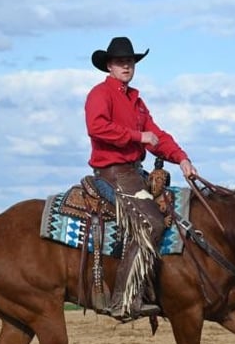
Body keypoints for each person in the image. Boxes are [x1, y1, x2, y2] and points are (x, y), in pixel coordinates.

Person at [85, 36, 198, 321]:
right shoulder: (100, 94)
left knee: (174, 210)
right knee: (152, 222)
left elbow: (156, 137)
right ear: (109, 66)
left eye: (130, 61)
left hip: (134, 172)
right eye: (121, 61)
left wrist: (181, 157)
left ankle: (155, 286)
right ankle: (123, 300)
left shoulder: (136, 100)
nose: (126, 65)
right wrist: (137, 136)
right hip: (113, 172)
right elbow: (97, 127)